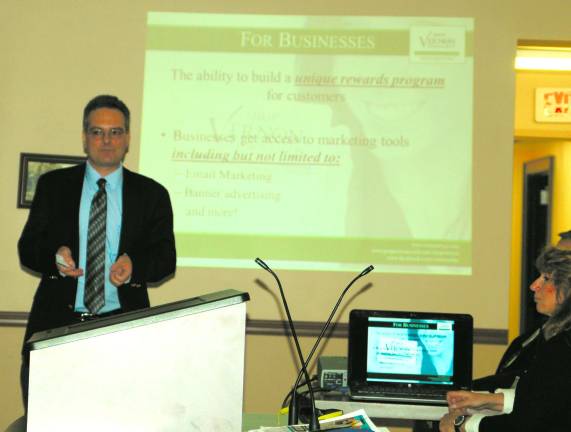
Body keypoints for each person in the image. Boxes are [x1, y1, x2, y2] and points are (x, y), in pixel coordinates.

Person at [18, 94, 176, 407]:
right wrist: (55, 255)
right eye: (97, 132)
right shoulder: (53, 186)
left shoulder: (152, 194)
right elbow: (28, 249)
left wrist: (135, 264)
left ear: (128, 138)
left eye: (115, 132)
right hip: (56, 331)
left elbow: (165, 259)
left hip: (122, 332)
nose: (106, 140)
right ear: (84, 138)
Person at [439, 246, 571, 432]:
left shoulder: (562, 347)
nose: (534, 285)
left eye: (546, 279)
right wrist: (491, 400)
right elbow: (549, 398)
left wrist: (463, 424)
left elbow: (529, 423)